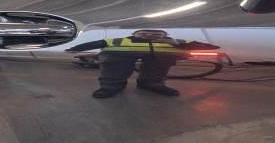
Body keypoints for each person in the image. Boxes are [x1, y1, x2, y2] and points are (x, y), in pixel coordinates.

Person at [67, 30, 219, 99]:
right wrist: (76, 48)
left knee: (158, 69)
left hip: (159, 59)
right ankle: (110, 87)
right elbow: (97, 43)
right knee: (114, 69)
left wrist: (176, 43)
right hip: (120, 58)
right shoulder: (119, 40)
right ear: (134, 34)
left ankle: (151, 84)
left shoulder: (175, 41)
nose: (149, 34)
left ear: (165, 35)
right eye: (144, 33)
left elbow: (205, 46)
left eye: (156, 33)